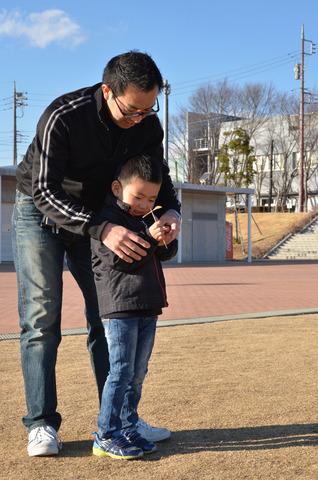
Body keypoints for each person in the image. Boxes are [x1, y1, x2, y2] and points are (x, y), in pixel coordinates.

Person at [12, 50, 181, 457]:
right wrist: (103, 228)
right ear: (108, 91)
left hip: (100, 218)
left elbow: (158, 175)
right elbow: (44, 190)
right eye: (132, 110)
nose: (141, 118)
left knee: (109, 317)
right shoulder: (63, 115)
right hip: (41, 215)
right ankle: (41, 423)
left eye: (149, 108)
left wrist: (171, 209)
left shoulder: (147, 124)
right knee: (41, 318)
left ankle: (121, 420)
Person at [91, 153, 178, 460]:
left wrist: (167, 236)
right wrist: (148, 237)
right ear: (118, 188)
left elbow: (163, 255)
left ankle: (128, 426)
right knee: (121, 371)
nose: (144, 204)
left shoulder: (146, 218)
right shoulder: (107, 222)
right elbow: (119, 259)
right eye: (138, 196)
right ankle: (106, 434)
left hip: (147, 304)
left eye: (151, 198)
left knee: (137, 372)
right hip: (120, 306)